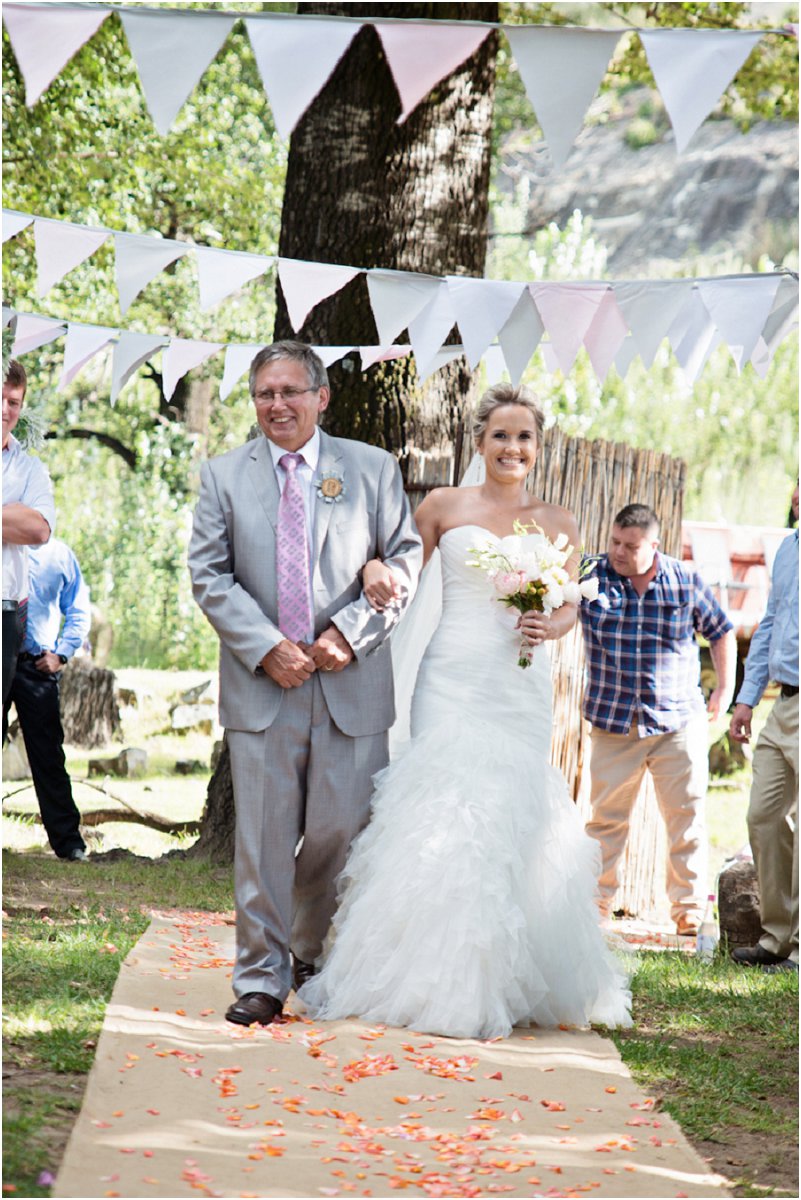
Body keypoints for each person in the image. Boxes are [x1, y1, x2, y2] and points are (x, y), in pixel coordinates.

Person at [299, 383, 632, 1038]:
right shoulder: (442, 506)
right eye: (500, 435)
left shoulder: (559, 521)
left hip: (519, 685)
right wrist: (371, 569)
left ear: (537, 447)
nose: (512, 447)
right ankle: (417, 973)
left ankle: (500, 975)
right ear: (479, 442)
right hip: (449, 676)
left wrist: (551, 625)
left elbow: (569, 604)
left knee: (508, 813)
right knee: (442, 808)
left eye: (524, 436)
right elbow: (397, 568)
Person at [188, 341, 422, 1028]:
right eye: (265, 393)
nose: (277, 404)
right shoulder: (223, 476)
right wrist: (266, 648)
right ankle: (261, 977)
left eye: (291, 391)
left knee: (339, 830)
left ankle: (306, 951)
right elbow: (209, 575)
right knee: (262, 839)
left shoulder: (372, 469)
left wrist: (350, 634)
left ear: (321, 397)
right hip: (264, 686)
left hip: (350, 682)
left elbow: (404, 561)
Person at [579, 505, 736, 935]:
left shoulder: (684, 580)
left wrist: (724, 689)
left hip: (677, 724)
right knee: (605, 822)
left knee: (687, 819)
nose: (619, 552)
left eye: (630, 546)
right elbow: (559, 613)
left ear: (654, 546)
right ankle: (594, 908)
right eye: (615, 542)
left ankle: (689, 914)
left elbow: (721, 630)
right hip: (613, 723)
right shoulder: (590, 576)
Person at [729, 484, 798, 973]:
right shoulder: (788, 548)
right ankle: (777, 938)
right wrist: (746, 698)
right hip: (784, 702)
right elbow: (771, 622)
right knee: (764, 816)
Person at [3, 537, 91, 862]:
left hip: (37, 666)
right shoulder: (4, 549)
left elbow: (78, 610)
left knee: (49, 757)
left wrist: (62, 654)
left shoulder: (60, 555)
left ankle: (69, 844)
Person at [2, 360, 54, 705]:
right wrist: (11, 513)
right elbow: (23, 523)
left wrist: (25, 520)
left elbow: (38, 529)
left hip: (5, 611)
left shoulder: (29, 468)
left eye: (14, 402)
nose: (5, 410)